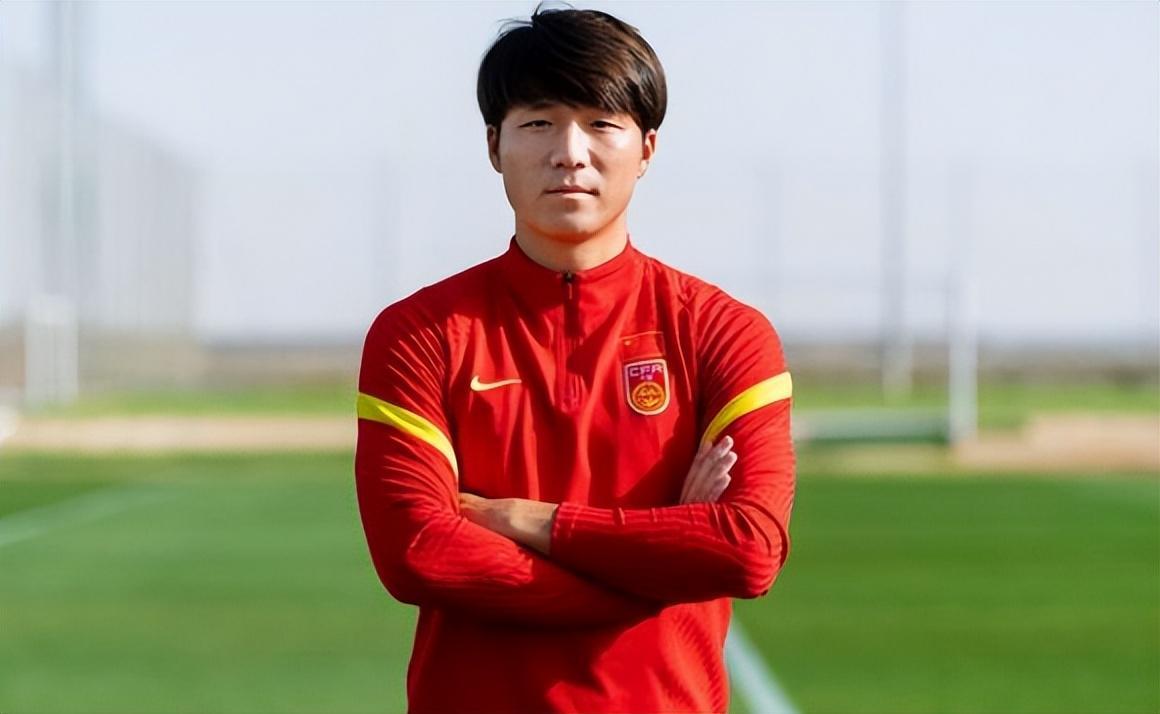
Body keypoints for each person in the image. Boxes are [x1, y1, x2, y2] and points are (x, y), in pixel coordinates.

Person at [354, 4, 795, 712]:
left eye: (601, 123)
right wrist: (659, 568)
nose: (569, 152)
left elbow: (748, 547)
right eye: (538, 122)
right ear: (494, 145)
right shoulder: (418, 335)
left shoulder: (723, 332)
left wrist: (529, 520)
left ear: (646, 148)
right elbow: (418, 553)